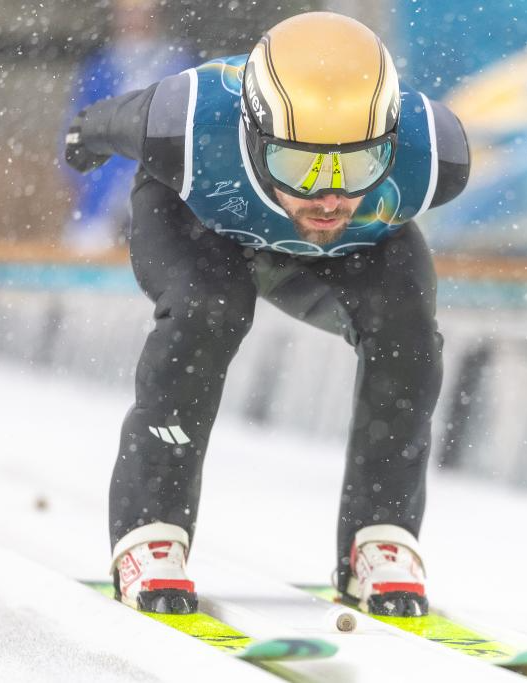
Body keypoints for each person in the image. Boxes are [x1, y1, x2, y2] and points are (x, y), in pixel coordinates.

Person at [64, 11, 470, 617]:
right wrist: (86, 136)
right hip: (199, 226)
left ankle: (381, 535)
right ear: (252, 133)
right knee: (208, 312)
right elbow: (107, 120)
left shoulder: (435, 154)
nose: (329, 197)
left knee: (407, 333)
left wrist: (300, 181)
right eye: (300, 166)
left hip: (349, 249)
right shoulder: (186, 121)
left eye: (359, 165)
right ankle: (150, 531)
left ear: (392, 143)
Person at [62, 0, 193, 252]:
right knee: (87, 245)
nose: (135, 20)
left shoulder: (179, 64)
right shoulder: (99, 68)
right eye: (128, 13)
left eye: (143, 12)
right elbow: (75, 133)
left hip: (163, 194)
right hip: (101, 199)